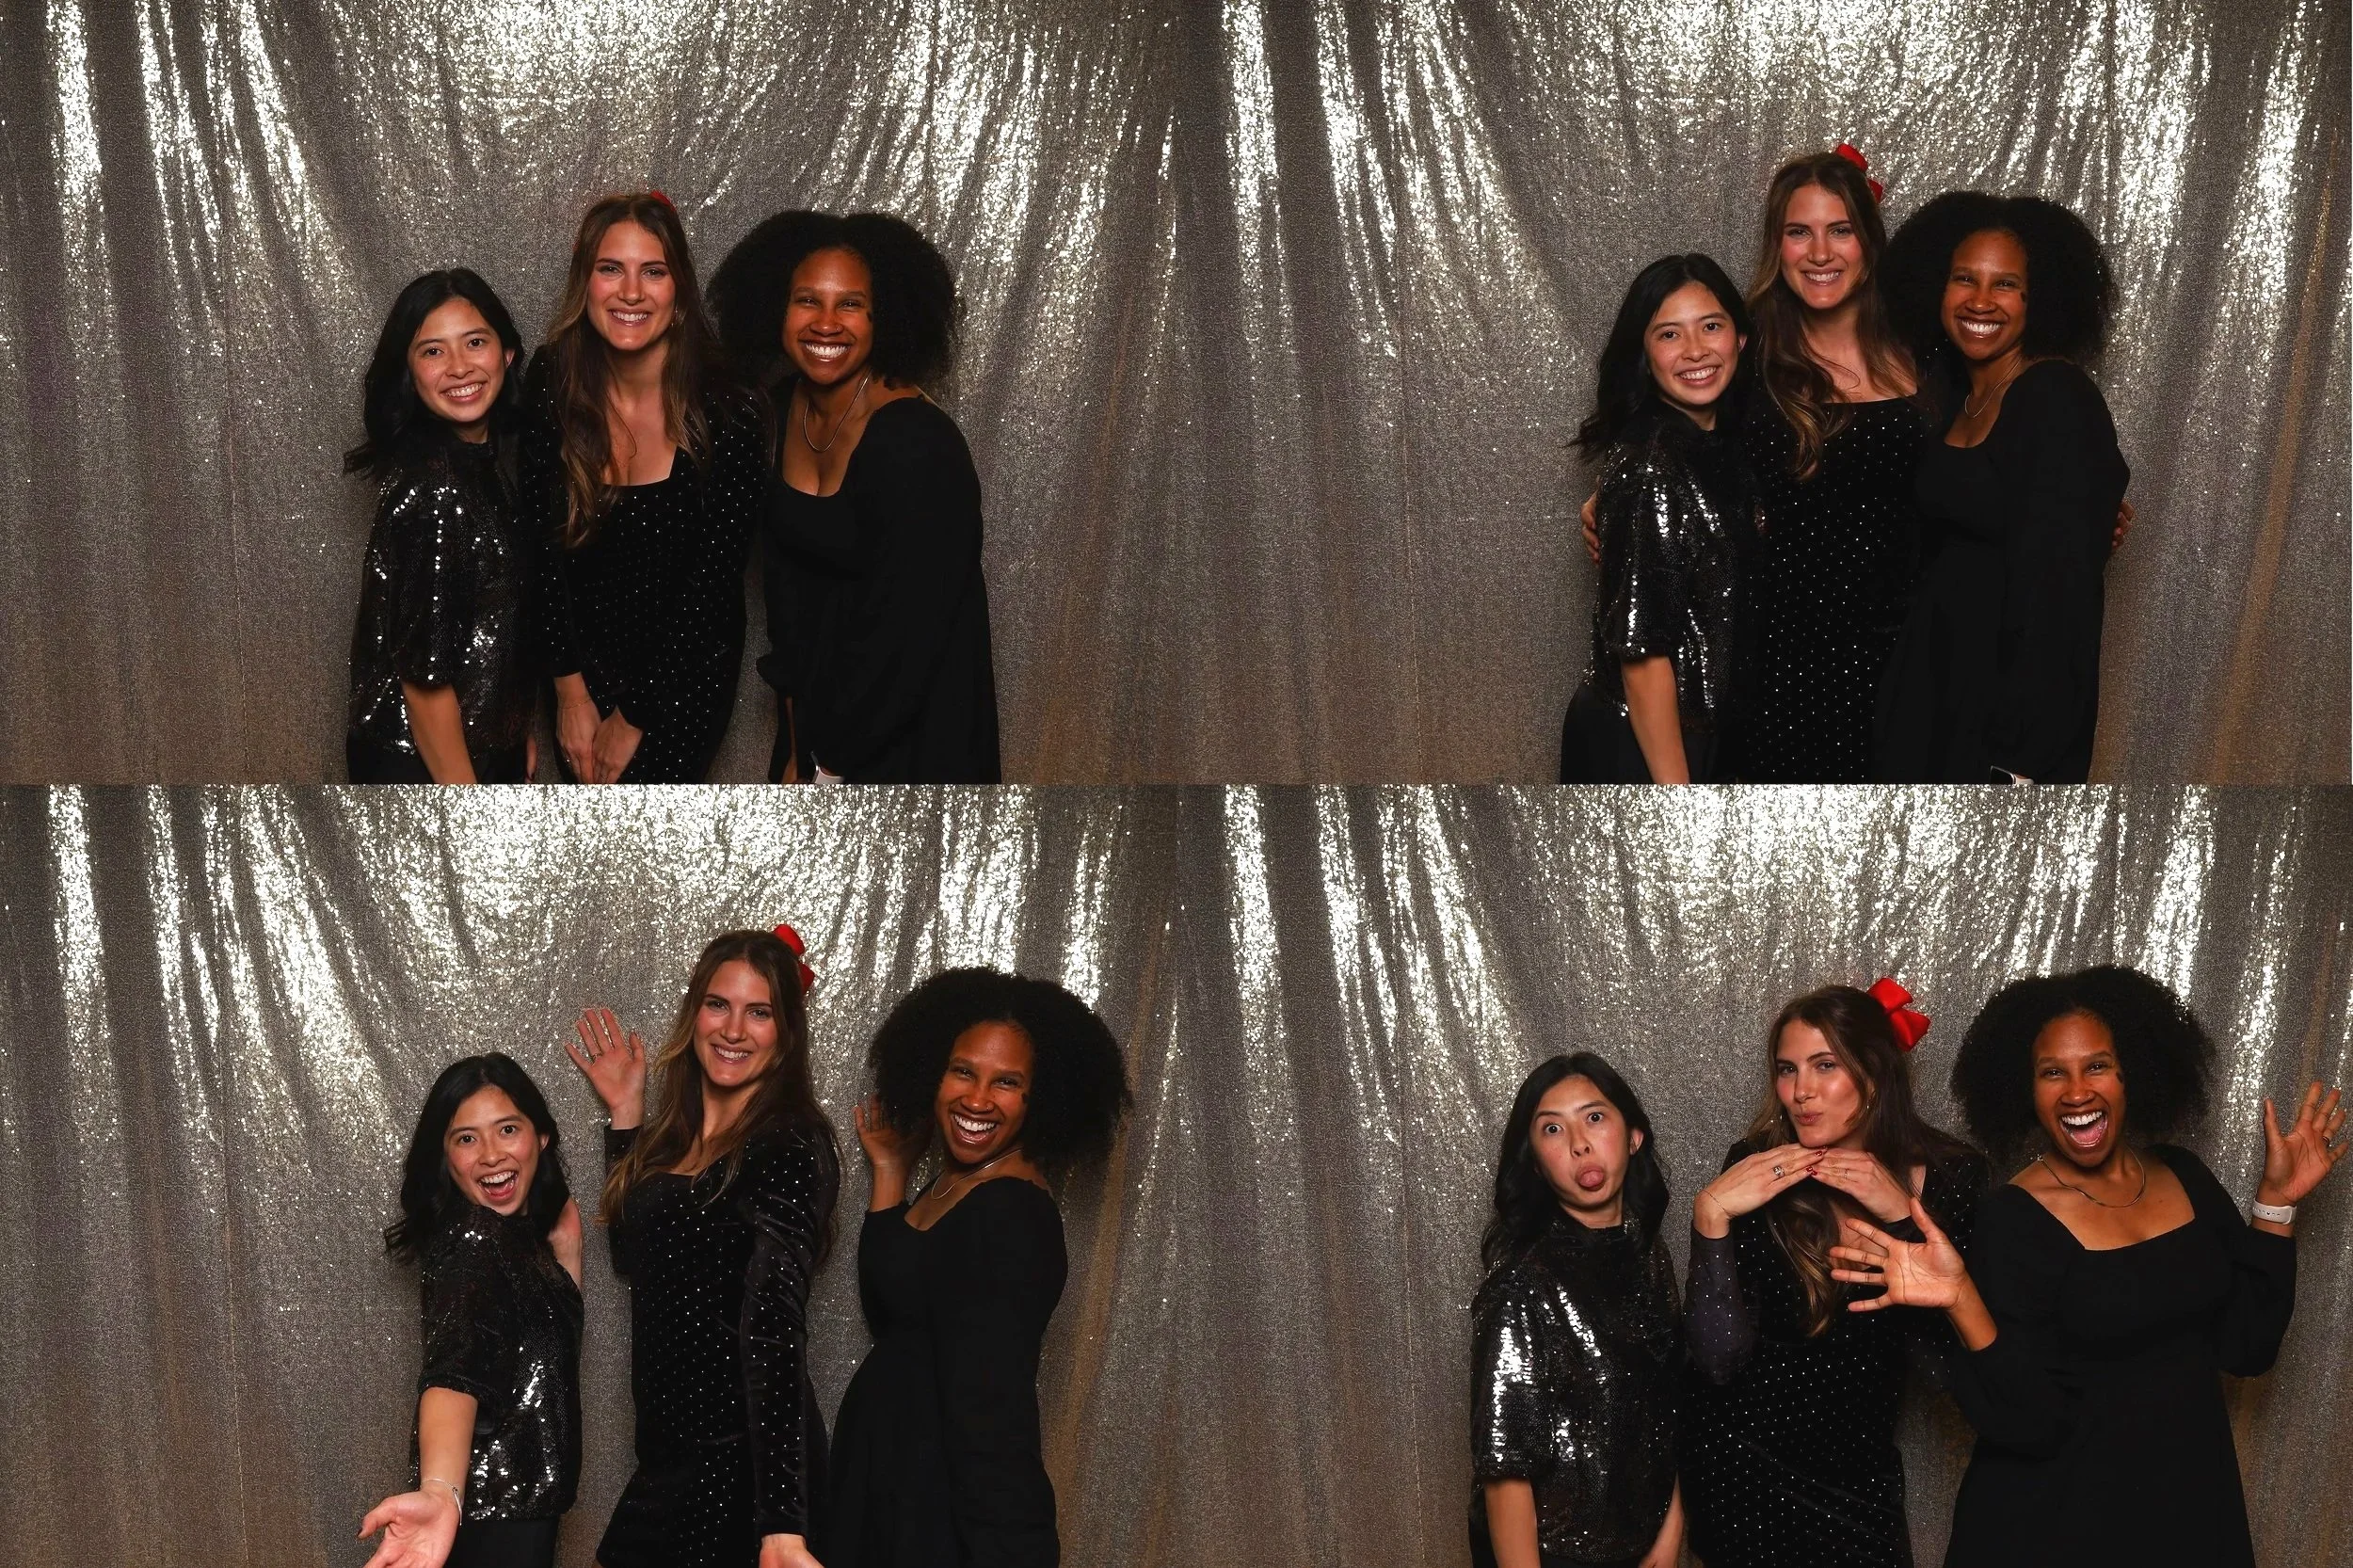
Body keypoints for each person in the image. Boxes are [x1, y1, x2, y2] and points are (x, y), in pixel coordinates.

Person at [1825, 966, 2347, 1568]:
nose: (2077, 1091)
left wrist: (2276, 1205)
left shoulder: (2187, 1178)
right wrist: (1962, 1295)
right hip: (2053, 1525)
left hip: (2187, 1511)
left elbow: (2247, 1348)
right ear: (2027, 1090)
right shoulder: (2013, 1219)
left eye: (2096, 1065)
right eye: (2053, 1073)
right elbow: (2028, 1421)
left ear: (2132, 1075)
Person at [822, 968, 1130, 1567]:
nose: (978, 1099)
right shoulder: (955, 1185)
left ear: (1041, 1099)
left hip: (937, 1516)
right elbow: (895, 1314)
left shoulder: (1013, 1216)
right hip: (884, 1490)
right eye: (963, 1071)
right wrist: (889, 1171)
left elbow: (992, 1415)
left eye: (1007, 1082)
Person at [1678, 981, 1986, 1568]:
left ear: (1876, 1074)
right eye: (1787, 1069)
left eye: (1825, 1066)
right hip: (1742, 1477)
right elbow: (1716, 1361)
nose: (1800, 1093)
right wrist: (1710, 1217)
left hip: (1857, 1482)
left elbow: (1954, 1366)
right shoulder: (1755, 1169)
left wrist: (1900, 1216)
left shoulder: (1954, 1177)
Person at [566, 926, 839, 1568]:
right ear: (695, 1013)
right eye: (719, 1005)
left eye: (760, 1012)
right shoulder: (674, 1139)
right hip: (670, 1455)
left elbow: (772, 1326)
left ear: (786, 1032)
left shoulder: (791, 1146)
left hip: (743, 1462)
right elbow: (636, 1262)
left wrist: (780, 1528)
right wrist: (628, 1116)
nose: (734, 1029)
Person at [711, 211, 1000, 783]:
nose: (825, 323)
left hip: (914, 738)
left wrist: (831, 764)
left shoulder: (919, 443)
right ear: (776, 308)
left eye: (851, 304)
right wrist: (796, 746)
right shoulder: (777, 410)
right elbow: (786, 599)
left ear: (884, 317)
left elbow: (910, 639)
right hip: (817, 731)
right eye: (806, 301)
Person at [1873, 192, 2129, 783]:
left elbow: (2060, 597)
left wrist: (2023, 757)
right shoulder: (1947, 399)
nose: (1981, 301)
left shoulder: (2057, 399)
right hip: (1930, 690)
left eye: (2006, 284)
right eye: (1965, 278)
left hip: (2002, 721)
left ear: (2039, 300)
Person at [525, 191, 765, 783]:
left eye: (652, 271)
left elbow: (712, 582)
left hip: (683, 674)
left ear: (678, 291)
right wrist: (570, 693)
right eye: (611, 269)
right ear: (586, 284)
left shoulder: (730, 406)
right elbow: (539, 544)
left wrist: (634, 716)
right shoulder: (551, 378)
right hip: (577, 667)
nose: (631, 292)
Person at [360, 1053, 583, 1568]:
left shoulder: (520, 1245)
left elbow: (544, 1361)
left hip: (521, 1523)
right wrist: (439, 1492)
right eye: (466, 1138)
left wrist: (568, 1254)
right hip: (489, 1528)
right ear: (445, 1157)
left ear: (541, 1137)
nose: (489, 1155)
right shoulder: (476, 1240)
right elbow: (454, 1373)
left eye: (508, 1129)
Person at [1471, 1052, 1685, 1568]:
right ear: (1537, 1163)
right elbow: (1506, 1468)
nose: (1580, 1143)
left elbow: (1675, 1404)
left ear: (1633, 1137)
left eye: (1594, 1117)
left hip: (1647, 1549)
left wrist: (1671, 1533)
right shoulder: (1522, 1283)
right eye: (1552, 1129)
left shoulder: (1649, 1253)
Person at [1559, 253, 1755, 783]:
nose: (1695, 351)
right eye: (1669, 334)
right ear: (1644, 354)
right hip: (1652, 744)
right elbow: (1642, 655)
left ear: (1740, 339)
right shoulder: (1650, 464)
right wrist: (1677, 798)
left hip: (1705, 732)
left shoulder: (1725, 445)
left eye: (1711, 326)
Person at [344, 269, 536, 783]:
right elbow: (425, 681)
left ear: (508, 354)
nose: (458, 367)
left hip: (479, 750)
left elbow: (489, 628)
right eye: (432, 351)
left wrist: (512, 737)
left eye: (475, 342)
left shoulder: (482, 466)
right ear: (409, 371)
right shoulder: (436, 489)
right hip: (423, 769)